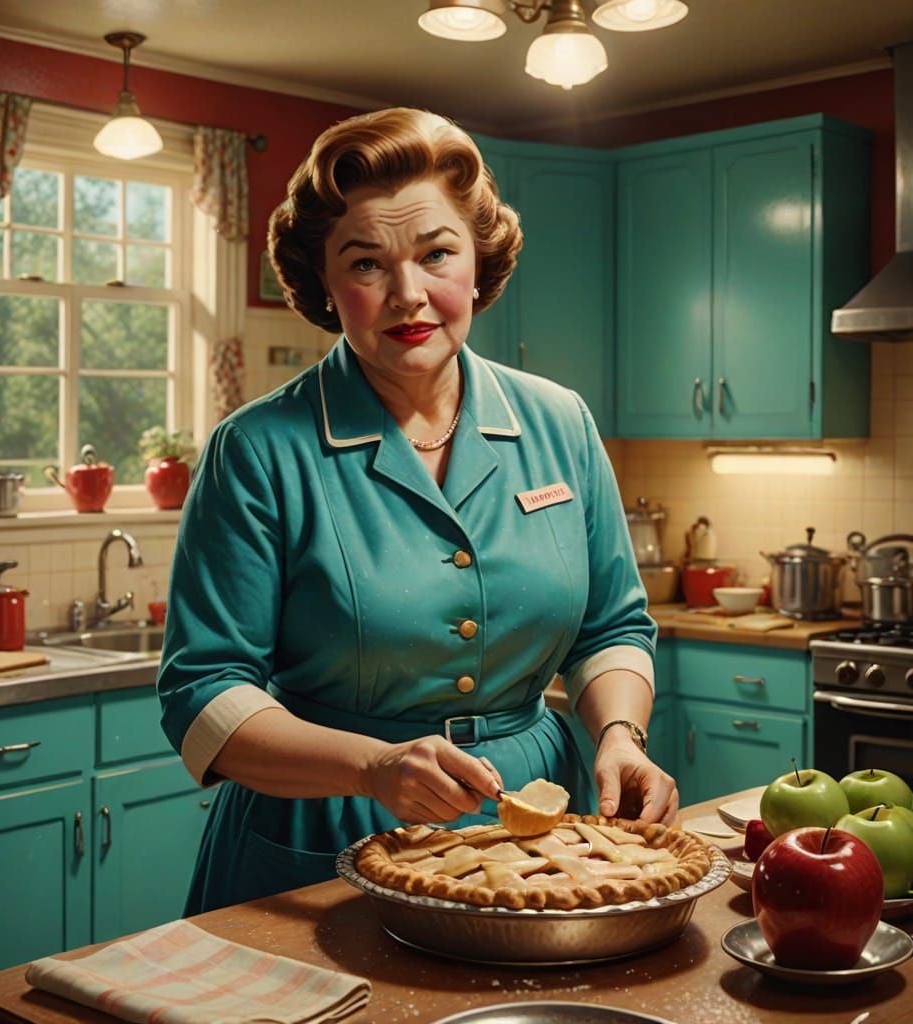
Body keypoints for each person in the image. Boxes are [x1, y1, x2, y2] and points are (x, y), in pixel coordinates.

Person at [157, 106, 678, 913]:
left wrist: (619, 734)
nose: (409, 295)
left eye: (437, 254)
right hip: (322, 828)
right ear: (324, 283)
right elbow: (203, 692)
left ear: (478, 261)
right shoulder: (256, 450)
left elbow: (611, 626)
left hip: (537, 825)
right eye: (366, 263)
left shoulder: (560, 423)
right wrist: (370, 767)